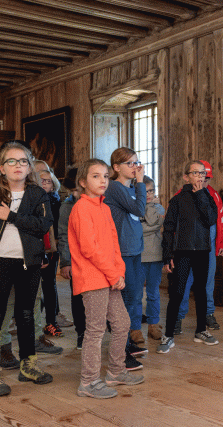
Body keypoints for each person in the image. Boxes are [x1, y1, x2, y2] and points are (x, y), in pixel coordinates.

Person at [0, 141, 54, 397]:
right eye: (11, 162)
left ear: (29, 166)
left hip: (28, 264)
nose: (18, 166)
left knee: (27, 316)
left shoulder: (38, 194)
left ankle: (28, 365)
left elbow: (43, 225)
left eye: (23, 161)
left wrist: (13, 217)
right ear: (2, 168)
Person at [70, 159, 145, 398]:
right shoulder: (82, 208)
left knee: (122, 323)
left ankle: (115, 372)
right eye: (96, 176)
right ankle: (88, 382)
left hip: (110, 276)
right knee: (95, 330)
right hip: (93, 278)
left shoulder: (103, 206)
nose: (103, 180)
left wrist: (119, 272)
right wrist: (113, 274)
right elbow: (89, 249)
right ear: (83, 182)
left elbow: (114, 243)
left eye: (105, 176)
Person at [158, 160, 218, 354]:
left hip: (202, 251)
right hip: (181, 252)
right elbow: (168, 230)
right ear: (186, 177)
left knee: (201, 292)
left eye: (202, 173)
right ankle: (168, 335)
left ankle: (201, 330)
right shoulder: (177, 200)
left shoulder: (208, 197)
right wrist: (167, 256)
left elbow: (210, 220)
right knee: (177, 293)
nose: (200, 176)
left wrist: (201, 194)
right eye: (195, 173)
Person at [104, 147, 147, 369]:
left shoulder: (129, 189)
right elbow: (140, 210)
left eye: (136, 162)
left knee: (134, 297)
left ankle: (127, 342)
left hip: (134, 250)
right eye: (130, 163)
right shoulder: (115, 187)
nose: (135, 167)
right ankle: (120, 351)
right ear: (116, 167)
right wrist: (140, 182)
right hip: (121, 252)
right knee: (126, 301)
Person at [174, 160, 223, 334]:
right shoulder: (180, 195)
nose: (203, 181)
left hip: (208, 247)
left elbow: (221, 221)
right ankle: (178, 317)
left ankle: (208, 314)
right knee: (184, 281)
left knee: (208, 282)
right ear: (190, 176)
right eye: (199, 176)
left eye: (207, 177)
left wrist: (222, 243)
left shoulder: (214, 196)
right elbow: (173, 225)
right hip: (186, 248)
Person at [57, 166, 86, 349]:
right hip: (76, 261)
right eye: (73, 190)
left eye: (78, 190)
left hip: (95, 261)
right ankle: (81, 332)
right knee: (78, 298)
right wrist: (66, 262)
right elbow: (63, 235)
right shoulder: (67, 207)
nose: (76, 194)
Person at [38, 165, 64, 337]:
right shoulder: (31, 200)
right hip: (33, 247)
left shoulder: (58, 203)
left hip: (51, 247)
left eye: (48, 182)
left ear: (53, 185)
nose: (45, 184)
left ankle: (51, 322)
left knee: (49, 284)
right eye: (42, 181)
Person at [140, 176, 164, 341]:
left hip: (155, 255)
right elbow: (139, 227)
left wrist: (147, 206)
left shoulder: (160, 208)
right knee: (135, 295)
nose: (148, 194)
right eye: (145, 191)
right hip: (138, 255)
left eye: (151, 191)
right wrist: (148, 206)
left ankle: (153, 325)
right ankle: (134, 328)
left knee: (153, 293)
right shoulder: (134, 207)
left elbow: (154, 224)